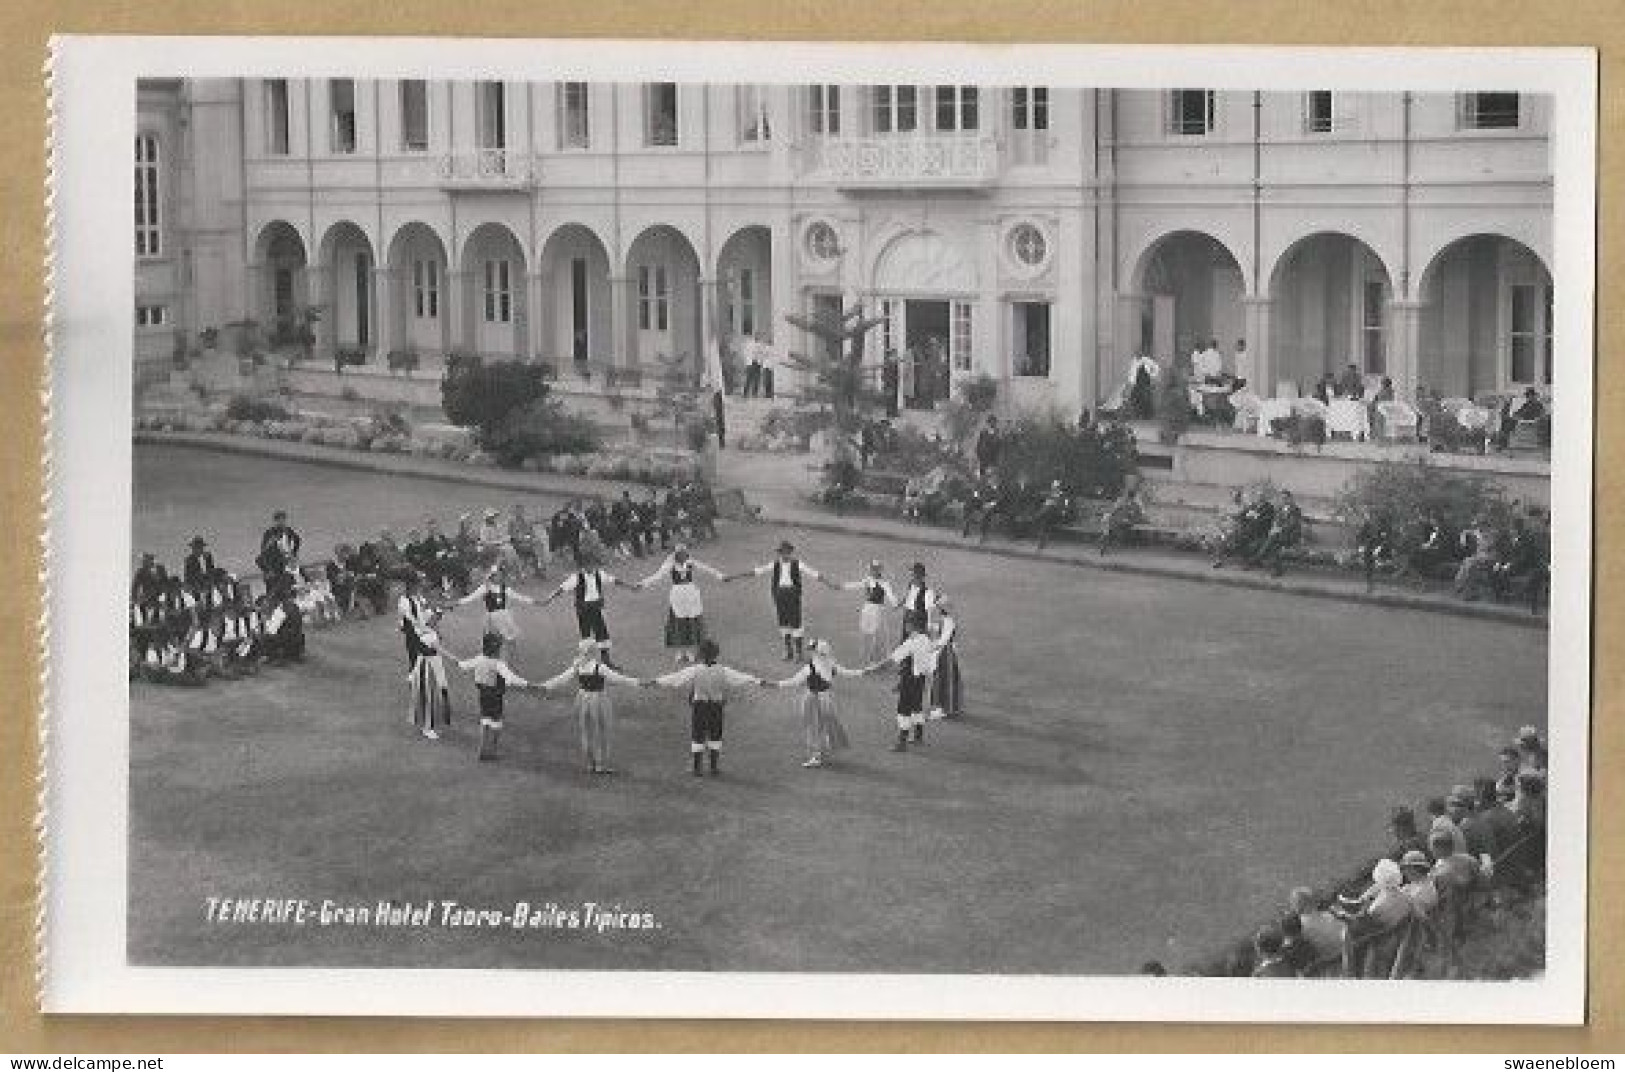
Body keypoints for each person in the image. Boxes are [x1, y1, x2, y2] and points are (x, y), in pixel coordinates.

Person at [650, 638, 763, 776]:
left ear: (701, 654)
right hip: (716, 706)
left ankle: (697, 768)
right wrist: (759, 681)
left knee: (698, 734)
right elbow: (743, 677)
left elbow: (675, 678)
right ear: (716, 654)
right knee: (715, 734)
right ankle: (713, 767)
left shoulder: (695, 670)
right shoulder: (723, 670)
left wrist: (654, 682)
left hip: (700, 707)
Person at [537, 638, 644, 775]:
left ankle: (590, 763)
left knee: (586, 731)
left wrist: (545, 686)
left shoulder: (578, 666)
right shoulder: (599, 667)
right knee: (601, 731)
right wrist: (638, 683)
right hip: (598, 699)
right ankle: (600, 765)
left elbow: (561, 678)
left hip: (582, 698)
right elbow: (619, 679)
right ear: (594, 652)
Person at [765, 638, 867, 769]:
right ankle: (820, 751)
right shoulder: (829, 664)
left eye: (813, 650)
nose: (811, 653)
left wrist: (775, 685)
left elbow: (794, 681)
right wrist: (864, 672)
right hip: (823, 698)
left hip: (814, 698)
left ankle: (816, 755)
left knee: (814, 726)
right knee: (823, 724)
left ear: (818, 652)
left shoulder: (814, 667)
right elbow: (847, 672)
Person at [726, 540, 831, 662]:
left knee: (796, 623)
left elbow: (814, 574)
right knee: (783, 623)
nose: (784, 555)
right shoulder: (775, 564)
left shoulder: (798, 564)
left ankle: (799, 653)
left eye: (786, 552)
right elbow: (755, 572)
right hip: (780, 596)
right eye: (781, 552)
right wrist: (734, 577)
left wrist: (829, 583)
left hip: (793, 595)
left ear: (790, 552)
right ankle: (788, 651)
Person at [635, 544, 727, 664]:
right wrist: (642, 584)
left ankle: (691, 652)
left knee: (692, 622)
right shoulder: (669, 564)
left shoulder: (690, 562)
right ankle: (680, 652)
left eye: (685, 553)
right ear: (675, 554)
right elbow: (657, 576)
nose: (684, 556)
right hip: (678, 595)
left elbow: (706, 568)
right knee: (679, 623)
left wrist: (720, 576)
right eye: (681, 554)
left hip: (691, 594)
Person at [451, 632, 536, 761]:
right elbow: (511, 679)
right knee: (496, 722)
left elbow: (463, 665)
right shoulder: (498, 664)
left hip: (483, 695)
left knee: (485, 719)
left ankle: (482, 749)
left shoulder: (479, 659)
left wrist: (451, 657)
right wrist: (529, 685)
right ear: (496, 649)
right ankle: (492, 750)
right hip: (495, 696)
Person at [541, 553, 636, 665]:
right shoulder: (576, 577)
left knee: (602, 633)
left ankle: (606, 662)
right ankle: (583, 664)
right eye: (590, 565)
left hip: (596, 608)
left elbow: (614, 580)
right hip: (584, 610)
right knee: (586, 636)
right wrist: (549, 598)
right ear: (584, 566)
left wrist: (630, 586)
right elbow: (562, 589)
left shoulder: (599, 574)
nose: (592, 567)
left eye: (594, 565)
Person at [876, 622, 942, 752]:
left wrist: (873, 668)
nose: (906, 628)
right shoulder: (925, 639)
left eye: (907, 625)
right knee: (916, 706)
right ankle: (918, 737)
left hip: (909, 679)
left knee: (903, 710)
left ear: (912, 627)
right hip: (921, 679)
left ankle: (902, 742)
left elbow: (892, 659)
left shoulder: (911, 643)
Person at [456, 562, 535, 648]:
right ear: (491, 576)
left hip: (504, 616)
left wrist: (535, 602)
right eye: (497, 575)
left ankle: (510, 655)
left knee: (510, 639)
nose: (499, 577)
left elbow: (520, 597)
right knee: (492, 640)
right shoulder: (484, 588)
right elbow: (469, 598)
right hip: (492, 617)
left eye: (500, 575)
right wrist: (455, 604)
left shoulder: (505, 588)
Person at [835, 560, 899, 664]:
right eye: (872, 569)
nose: (873, 571)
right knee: (866, 634)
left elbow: (891, 595)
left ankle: (877, 660)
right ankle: (869, 659)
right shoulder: (868, 580)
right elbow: (855, 585)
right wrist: (841, 586)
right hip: (867, 610)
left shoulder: (884, 583)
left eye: (875, 569)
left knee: (877, 634)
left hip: (877, 610)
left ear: (879, 571)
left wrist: (895, 604)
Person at [406, 611, 452, 741]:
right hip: (428, 666)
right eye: (435, 619)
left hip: (431, 664)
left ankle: (429, 724)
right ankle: (427, 728)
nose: (437, 621)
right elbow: (439, 649)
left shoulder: (428, 631)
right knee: (429, 696)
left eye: (438, 619)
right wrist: (456, 660)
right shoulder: (429, 635)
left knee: (433, 695)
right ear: (428, 620)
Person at [1251, 490, 1304, 577]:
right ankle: (1276, 569)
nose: (1284, 500)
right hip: (1279, 535)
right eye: (1282, 498)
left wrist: (1279, 529)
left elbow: (1292, 524)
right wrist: (1274, 527)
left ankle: (1259, 556)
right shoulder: (1279, 508)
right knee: (1274, 545)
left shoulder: (1295, 509)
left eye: (1286, 498)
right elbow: (1275, 520)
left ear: (1290, 499)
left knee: (1272, 540)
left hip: (1291, 535)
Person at [928, 600, 963, 720]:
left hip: (945, 653)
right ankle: (943, 708)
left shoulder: (948, 621)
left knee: (942, 679)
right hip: (943, 652)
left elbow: (944, 639)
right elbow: (936, 628)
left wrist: (932, 647)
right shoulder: (944, 620)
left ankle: (942, 709)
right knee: (940, 678)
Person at [398, 573, 434, 672]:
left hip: (422, 635)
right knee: (416, 663)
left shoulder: (420, 599)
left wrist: (435, 613)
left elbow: (426, 614)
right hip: (413, 636)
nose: (421, 585)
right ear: (411, 585)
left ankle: (420, 683)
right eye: (419, 583)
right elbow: (409, 620)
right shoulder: (404, 600)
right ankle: (414, 683)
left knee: (426, 661)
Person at [1098, 484, 1146, 557]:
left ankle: (1105, 538)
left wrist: (1130, 517)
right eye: (1126, 494)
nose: (1126, 496)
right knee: (1110, 523)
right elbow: (1115, 509)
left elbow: (1139, 514)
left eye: (1128, 495)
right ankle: (1105, 539)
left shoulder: (1136, 502)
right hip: (1120, 521)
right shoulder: (1123, 500)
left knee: (1111, 525)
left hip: (1127, 521)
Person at [257, 509, 302, 581]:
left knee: (294, 577)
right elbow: (263, 549)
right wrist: (271, 542)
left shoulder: (288, 530)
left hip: (287, 559)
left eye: (283, 520)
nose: (282, 523)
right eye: (279, 521)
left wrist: (294, 553)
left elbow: (297, 540)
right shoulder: (269, 533)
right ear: (275, 521)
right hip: (275, 561)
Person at [508, 503, 545, 580]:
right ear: (514, 512)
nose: (520, 513)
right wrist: (525, 538)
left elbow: (531, 533)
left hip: (527, 542)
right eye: (518, 511)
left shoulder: (526, 521)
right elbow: (512, 535)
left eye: (521, 511)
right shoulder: (511, 522)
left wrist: (531, 537)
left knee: (538, 544)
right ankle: (539, 567)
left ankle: (539, 566)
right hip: (518, 543)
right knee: (535, 548)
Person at [1034, 480, 1074, 551]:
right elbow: (1044, 500)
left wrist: (1063, 510)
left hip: (1053, 512)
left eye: (1056, 486)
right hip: (1048, 512)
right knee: (1044, 527)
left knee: (1045, 527)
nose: (1054, 487)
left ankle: (1042, 542)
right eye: (1054, 486)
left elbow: (1065, 502)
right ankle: (1042, 542)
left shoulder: (1060, 494)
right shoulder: (1051, 493)